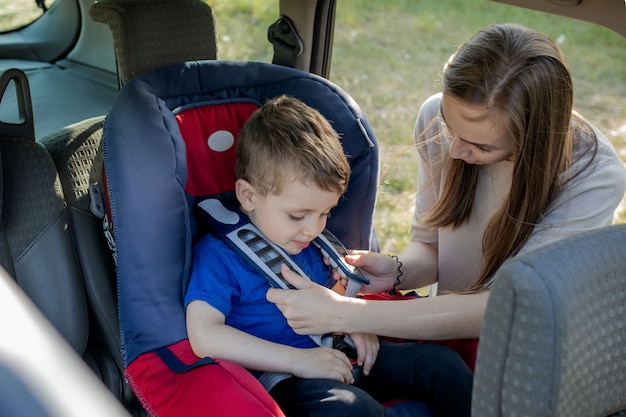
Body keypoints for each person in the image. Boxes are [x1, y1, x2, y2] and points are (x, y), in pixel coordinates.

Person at [267, 24, 626, 349]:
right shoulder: (434, 116)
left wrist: (343, 313)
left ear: (532, 140)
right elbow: (433, 247)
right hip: (448, 334)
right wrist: (397, 270)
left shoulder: (593, 175)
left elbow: (509, 306)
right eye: (450, 128)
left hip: (526, 351)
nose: (455, 150)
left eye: (482, 147)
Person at [185, 95, 473, 417]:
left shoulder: (314, 244)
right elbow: (204, 336)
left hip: (345, 353)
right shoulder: (220, 258)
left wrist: (355, 323)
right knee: (353, 409)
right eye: (298, 215)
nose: (312, 229)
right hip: (287, 378)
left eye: (325, 213)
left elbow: (334, 299)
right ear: (248, 196)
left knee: (439, 365)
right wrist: (298, 361)